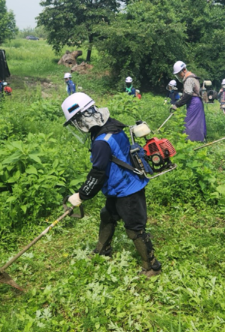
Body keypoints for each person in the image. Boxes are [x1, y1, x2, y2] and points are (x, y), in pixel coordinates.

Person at [62, 93, 161, 277]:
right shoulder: (112, 125)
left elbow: (98, 173)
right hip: (118, 186)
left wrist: (81, 195)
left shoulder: (101, 142)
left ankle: (152, 267)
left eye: (76, 121)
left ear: (82, 118)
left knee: (135, 229)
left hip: (127, 189)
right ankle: (102, 250)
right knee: (107, 215)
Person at [170, 61, 207, 142]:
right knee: (197, 122)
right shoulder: (193, 76)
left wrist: (177, 104)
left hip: (194, 102)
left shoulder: (189, 79)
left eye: (179, 73)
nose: (179, 76)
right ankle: (199, 139)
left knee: (189, 123)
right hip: (197, 102)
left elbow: (188, 94)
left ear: (184, 70)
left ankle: (190, 141)